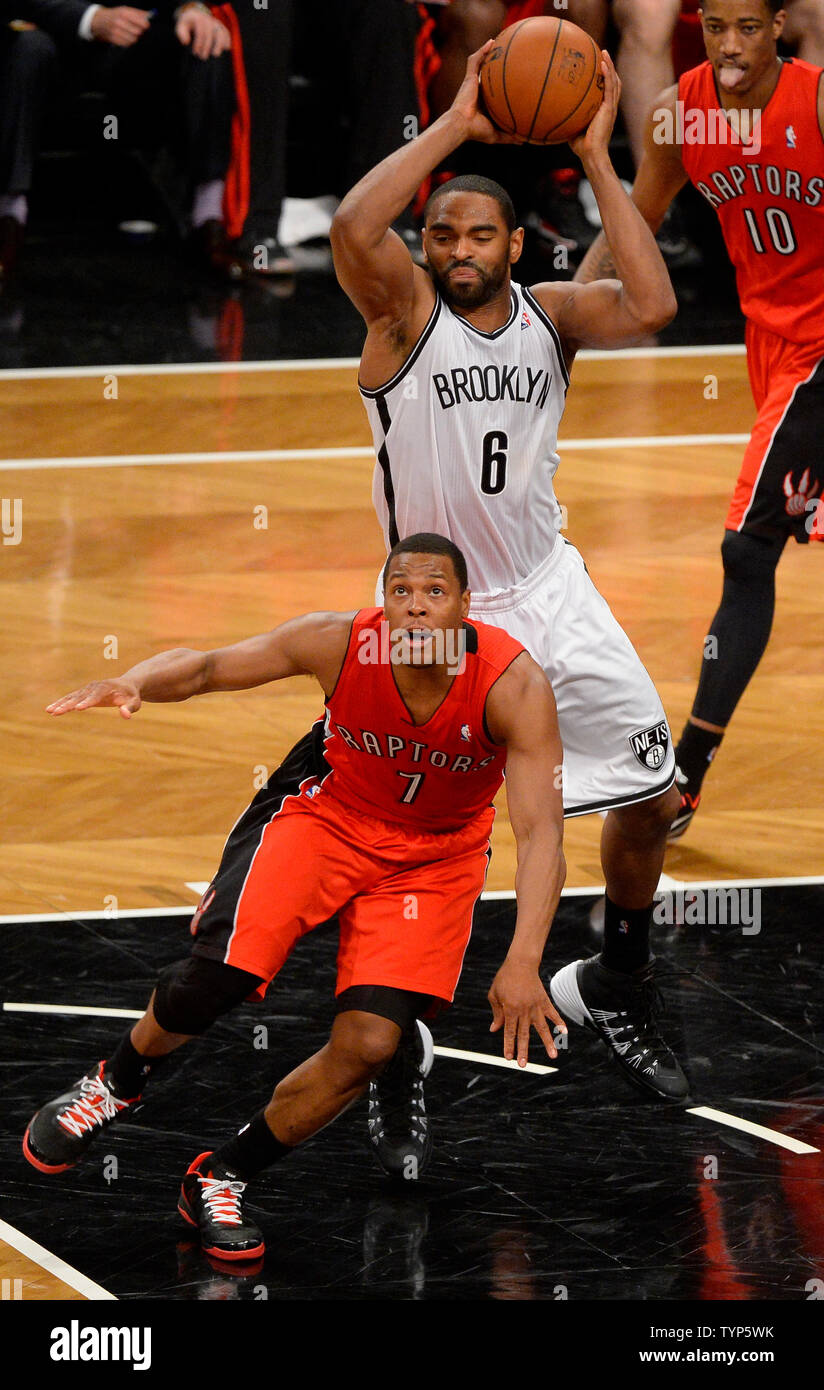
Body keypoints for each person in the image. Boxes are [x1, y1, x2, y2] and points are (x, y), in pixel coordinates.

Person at [330, 42, 691, 1145]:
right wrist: (454, 125)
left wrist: (594, 151)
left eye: (477, 232)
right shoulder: (398, 316)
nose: (455, 249)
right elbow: (353, 228)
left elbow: (653, 302)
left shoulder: (550, 317)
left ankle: (613, 978)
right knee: (403, 848)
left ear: (514, 245)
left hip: (547, 591)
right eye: (440, 234)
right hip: (434, 624)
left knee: (648, 793)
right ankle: (395, 1052)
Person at [24, 534, 570, 1259]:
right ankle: (114, 1084)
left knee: (372, 1042)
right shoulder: (340, 643)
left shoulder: (513, 686)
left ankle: (221, 1176)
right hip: (327, 816)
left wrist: (524, 960)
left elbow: (542, 836)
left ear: (465, 608)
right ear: (384, 601)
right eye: (400, 591)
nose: (414, 608)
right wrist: (137, 682)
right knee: (219, 973)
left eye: (434, 593)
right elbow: (212, 667)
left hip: (434, 859)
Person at [576, 0, 824, 838]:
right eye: (715, 26)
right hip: (772, 349)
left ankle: (683, 776)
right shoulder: (681, 112)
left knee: (746, 548)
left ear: (782, 26)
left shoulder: (817, 102)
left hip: (822, 356)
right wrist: (560, 319)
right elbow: (635, 222)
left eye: (747, 27)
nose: (728, 45)